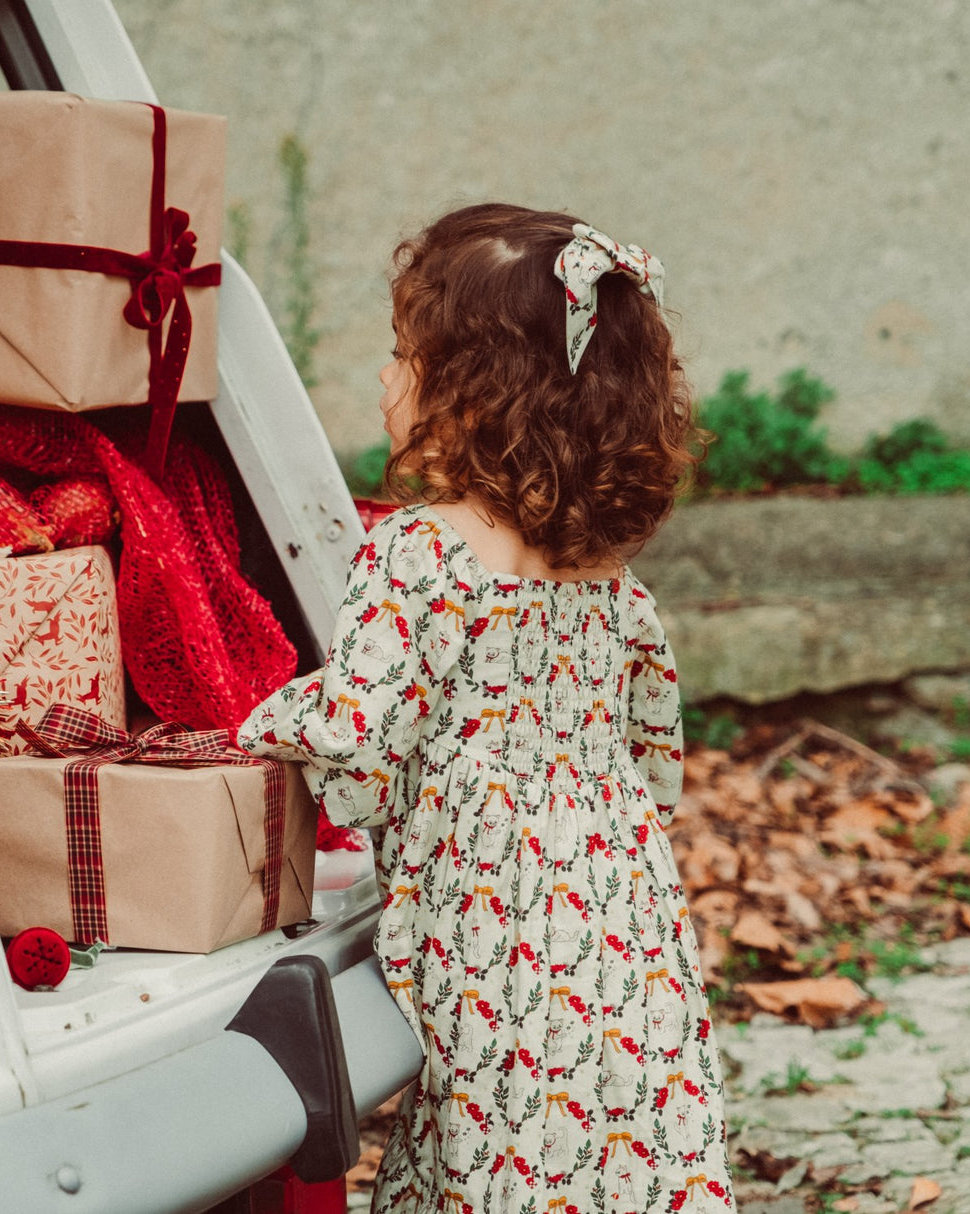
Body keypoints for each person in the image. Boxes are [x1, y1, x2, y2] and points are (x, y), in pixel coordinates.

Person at [239, 203, 735, 1213]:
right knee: (613, 1119)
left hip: (493, 917)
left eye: (399, 354)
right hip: (619, 900)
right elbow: (654, 755)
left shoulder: (420, 554)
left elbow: (356, 756)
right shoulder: (607, 576)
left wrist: (269, 719)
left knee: (494, 1126)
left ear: (472, 393)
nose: (383, 377)